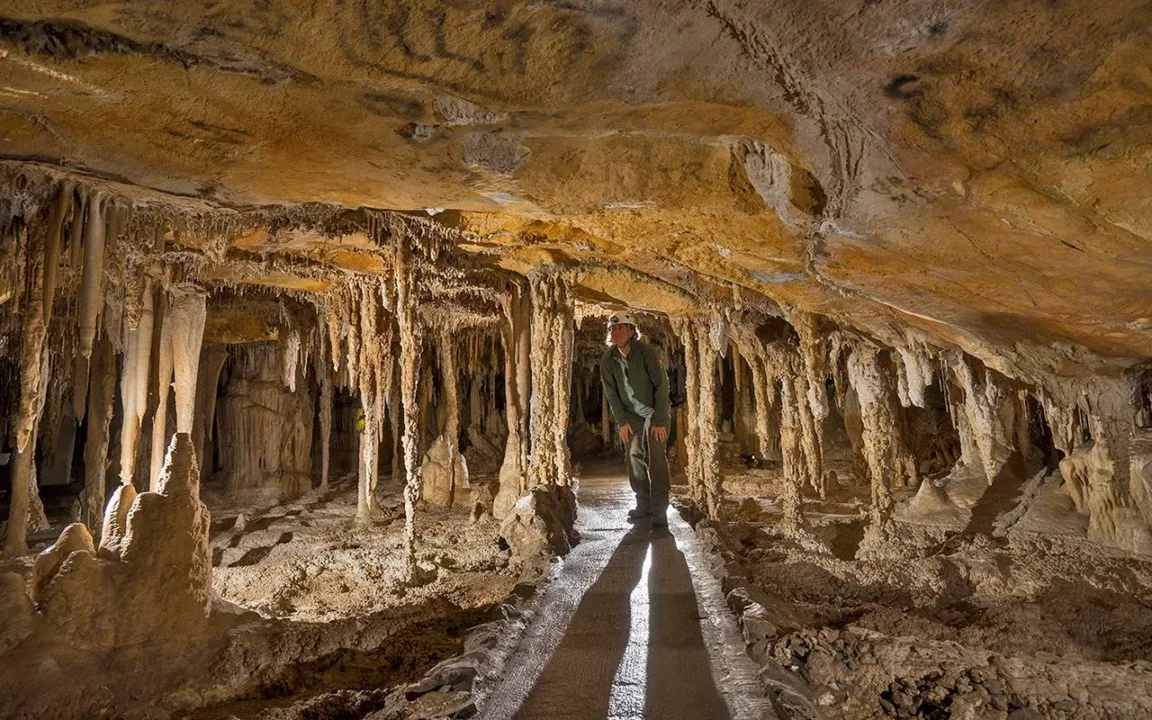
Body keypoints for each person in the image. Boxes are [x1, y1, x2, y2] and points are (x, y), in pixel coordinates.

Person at [600, 311, 671, 527]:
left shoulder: (647, 353)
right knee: (632, 456)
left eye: (621, 328)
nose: (616, 332)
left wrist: (659, 420)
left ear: (632, 331)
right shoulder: (608, 360)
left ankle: (660, 510)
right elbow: (611, 394)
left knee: (657, 457)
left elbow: (661, 386)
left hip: (654, 411)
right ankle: (644, 503)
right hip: (631, 415)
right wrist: (622, 422)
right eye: (613, 329)